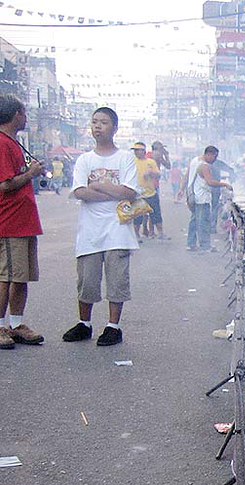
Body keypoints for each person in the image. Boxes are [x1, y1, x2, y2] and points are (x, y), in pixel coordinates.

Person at [62, 107, 142, 347]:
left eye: (104, 122)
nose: (98, 126)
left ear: (114, 128)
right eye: (95, 122)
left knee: (117, 281)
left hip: (118, 230)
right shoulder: (85, 159)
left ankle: (112, 326)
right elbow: (79, 192)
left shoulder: (125, 158)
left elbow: (129, 191)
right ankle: (84, 323)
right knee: (86, 280)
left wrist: (99, 185)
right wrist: (110, 191)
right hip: (90, 231)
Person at [0, 94, 45, 349]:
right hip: (9, 222)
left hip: (24, 221)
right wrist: (32, 173)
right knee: (6, 277)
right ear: (15, 114)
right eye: (24, 113)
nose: (26, 117)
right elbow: (6, 184)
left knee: (21, 276)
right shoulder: (2, 144)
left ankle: (16, 324)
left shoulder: (13, 143)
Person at [186, 146, 231, 252]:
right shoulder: (205, 166)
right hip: (202, 198)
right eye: (214, 156)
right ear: (208, 154)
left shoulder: (197, 162)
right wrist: (224, 184)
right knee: (203, 223)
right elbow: (210, 182)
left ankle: (191, 243)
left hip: (196, 196)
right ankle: (205, 246)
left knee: (194, 221)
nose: (215, 159)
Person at [130, 141, 160, 240]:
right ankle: (136, 235)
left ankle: (161, 233)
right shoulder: (132, 162)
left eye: (138, 150)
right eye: (135, 150)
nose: (136, 152)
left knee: (156, 214)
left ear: (143, 151)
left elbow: (158, 175)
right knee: (137, 216)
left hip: (150, 192)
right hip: (137, 193)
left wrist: (151, 173)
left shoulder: (150, 162)